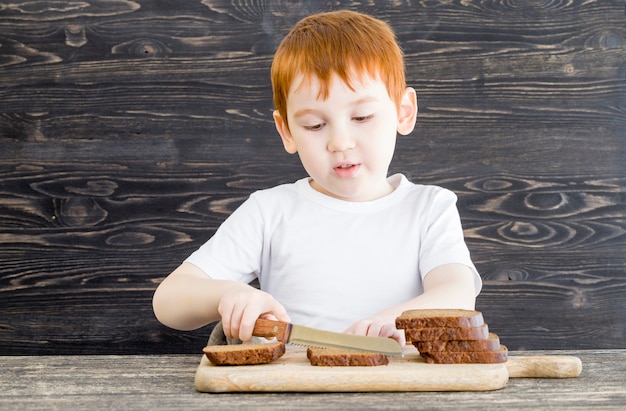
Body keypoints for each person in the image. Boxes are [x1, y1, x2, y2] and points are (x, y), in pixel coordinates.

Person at [152, 10, 481, 346]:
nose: (340, 142)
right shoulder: (270, 212)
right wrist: (227, 296)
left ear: (403, 112)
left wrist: (393, 321)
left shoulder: (428, 208)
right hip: (292, 392)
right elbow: (169, 300)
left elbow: (457, 293)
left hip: (398, 392)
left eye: (362, 116)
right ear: (287, 132)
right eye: (314, 125)